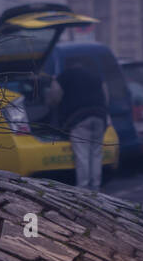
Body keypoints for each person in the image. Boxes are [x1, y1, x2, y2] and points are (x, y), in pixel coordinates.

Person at [47, 62, 109, 190]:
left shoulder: (64, 75)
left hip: (79, 119)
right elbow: (106, 97)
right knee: (96, 153)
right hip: (100, 117)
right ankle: (95, 187)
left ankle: (83, 187)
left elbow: (55, 97)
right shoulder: (96, 76)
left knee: (82, 154)